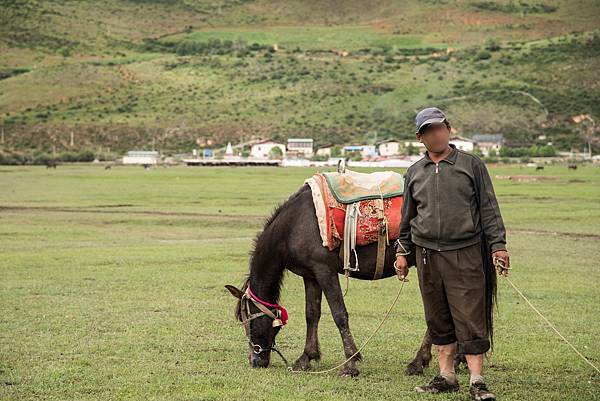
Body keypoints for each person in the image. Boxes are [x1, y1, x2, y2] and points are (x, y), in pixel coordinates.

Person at [394, 107, 510, 401]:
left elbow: (489, 209)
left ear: (449, 129)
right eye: (429, 131)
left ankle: (477, 381)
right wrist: (402, 253)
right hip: (427, 256)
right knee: (438, 316)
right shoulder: (414, 172)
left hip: (465, 252)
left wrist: (498, 245)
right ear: (420, 137)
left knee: (470, 314)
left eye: (440, 128)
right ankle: (446, 377)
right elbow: (407, 219)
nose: (436, 134)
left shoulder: (471, 165)